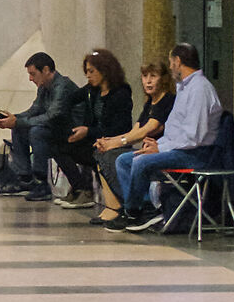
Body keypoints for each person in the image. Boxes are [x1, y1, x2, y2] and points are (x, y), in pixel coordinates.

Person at [105, 41, 223, 232]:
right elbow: (174, 129)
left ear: (177, 61)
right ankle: (148, 210)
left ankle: (133, 213)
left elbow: (194, 137)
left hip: (196, 154)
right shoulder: (184, 88)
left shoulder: (199, 89)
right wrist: (157, 143)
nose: (170, 67)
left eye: (170, 62)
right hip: (178, 148)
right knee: (124, 160)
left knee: (141, 162)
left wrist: (160, 149)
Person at [93, 61, 176, 225]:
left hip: (161, 152)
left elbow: (148, 130)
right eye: (145, 76)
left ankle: (138, 207)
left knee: (118, 158)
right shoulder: (149, 103)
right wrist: (110, 141)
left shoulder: (167, 100)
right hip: (146, 151)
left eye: (153, 76)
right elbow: (134, 132)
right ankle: (122, 206)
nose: (148, 81)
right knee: (103, 152)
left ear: (164, 79)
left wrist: (116, 143)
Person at [0, 53, 80, 199]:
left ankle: (42, 181)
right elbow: (34, 110)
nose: (30, 79)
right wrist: (14, 119)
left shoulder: (62, 87)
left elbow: (53, 116)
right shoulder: (44, 87)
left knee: (37, 131)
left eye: (33, 74)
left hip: (72, 130)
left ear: (46, 70)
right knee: (19, 128)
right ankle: (25, 178)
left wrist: (17, 121)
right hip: (56, 128)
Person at [59, 49, 134, 214]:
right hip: (93, 137)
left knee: (99, 155)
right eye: (86, 72)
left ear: (105, 70)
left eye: (91, 71)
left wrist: (88, 131)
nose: (88, 75)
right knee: (59, 146)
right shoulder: (91, 90)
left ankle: (116, 204)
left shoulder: (121, 93)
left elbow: (120, 128)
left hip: (112, 140)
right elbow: (69, 99)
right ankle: (82, 188)